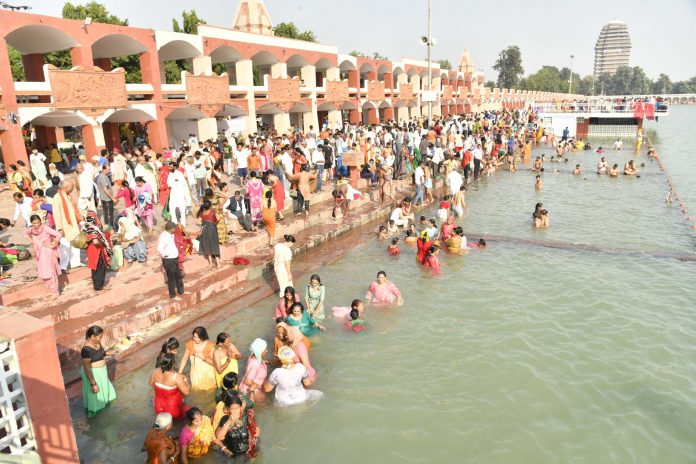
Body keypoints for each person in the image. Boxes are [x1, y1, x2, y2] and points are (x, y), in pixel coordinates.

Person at [80, 326, 117, 417]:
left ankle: (104, 408)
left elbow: (102, 353)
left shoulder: (97, 343)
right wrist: (93, 384)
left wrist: (110, 353)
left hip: (102, 372)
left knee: (104, 390)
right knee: (95, 394)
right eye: (99, 337)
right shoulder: (86, 350)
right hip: (93, 374)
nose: (100, 338)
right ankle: (95, 415)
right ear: (92, 336)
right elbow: (87, 368)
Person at [213, 391, 259, 458]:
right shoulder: (225, 419)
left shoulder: (247, 416)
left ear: (241, 407)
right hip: (232, 454)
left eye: (237, 408)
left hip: (247, 452)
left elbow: (257, 432)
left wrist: (253, 444)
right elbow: (219, 437)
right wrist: (229, 421)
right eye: (232, 409)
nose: (235, 411)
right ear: (228, 409)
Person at [24, 214, 61, 296]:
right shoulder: (31, 229)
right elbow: (25, 234)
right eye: (34, 223)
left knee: (51, 271)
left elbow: (59, 235)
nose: (37, 225)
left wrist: (52, 244)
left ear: (41, 222)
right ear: (31, 223)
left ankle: (55, 291)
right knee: (44, 271)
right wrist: (33, 242)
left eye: (38, 223)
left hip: (48, 252)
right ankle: (50, 289)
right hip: (39, 253)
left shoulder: (45, 228)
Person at [52, 180, 83, 271]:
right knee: (65, 245)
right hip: (64, 225)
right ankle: (63, 266)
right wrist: (59, 227)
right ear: (66, 187)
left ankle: (75, 263)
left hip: (73, 224)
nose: (73, 188)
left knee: (75, 243)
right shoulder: (57, 197)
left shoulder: (68, 196)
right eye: (72, 187)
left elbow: (74, 209)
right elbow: (56, 213)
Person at [149, 353, 191, 420]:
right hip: (174, 410)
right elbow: (187, 392)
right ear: (174, 364)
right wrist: (186, 380)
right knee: (191, 411)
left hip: (159, 408)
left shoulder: (155, 371)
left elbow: (151, 384)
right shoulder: (176, 377)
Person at [179, 327, 216, 392]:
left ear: (203, 337)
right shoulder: (189, 344)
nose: (196, 339)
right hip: (195, 374)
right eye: (194, 336)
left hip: (208, 374)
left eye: (198, 337)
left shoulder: (210, 345)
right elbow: (184, 358)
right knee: (196, 390)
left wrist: (203, 358)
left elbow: (215, 364)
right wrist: (179, 373)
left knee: (210, 390)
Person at [82, 212, 112, 291]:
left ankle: (96, 285)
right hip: (96, 250)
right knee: (100, 268)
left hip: (90, 251)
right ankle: (99, 287)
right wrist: (102, 243)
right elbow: (95, 241)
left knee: (94, 268)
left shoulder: (85, 227)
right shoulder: (93, 228)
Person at [158, 222, 184, 299]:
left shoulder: (171, 235)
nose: (176, 229)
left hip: (175, 259)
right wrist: (167, 256)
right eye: (175, 228)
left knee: (179, 276)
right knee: (171, 278)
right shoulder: (164, 237)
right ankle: (173, 295)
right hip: (169, 260)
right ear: (171, 229)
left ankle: (181, 291)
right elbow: (159, 248)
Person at [239, 338, 268, 404]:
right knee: (264, 404)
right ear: (259, 351)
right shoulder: (255, 364)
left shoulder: (253, 356)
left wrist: (266, 362)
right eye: (265, 349)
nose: (267, 351)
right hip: (253, 390)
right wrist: (260, 387)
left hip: (252, 387)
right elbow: (247, 381)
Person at [197, 200, 220, 268]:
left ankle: (210, 264)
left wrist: (204, 224)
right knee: (214, 245)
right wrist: (214, 224)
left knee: (207, 246)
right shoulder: (213, 212)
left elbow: (198, 222)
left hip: (204, 230)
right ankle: (218, 264)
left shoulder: (202, 213)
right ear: (210, 206)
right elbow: (218, 219)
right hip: (212, 229)